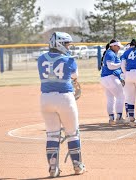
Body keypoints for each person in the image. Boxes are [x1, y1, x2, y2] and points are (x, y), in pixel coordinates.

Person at [37, 32, 85, 177]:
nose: (68, 47)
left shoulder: (40, 59)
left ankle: (53, 169)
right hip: (64, 98)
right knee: (72, 133)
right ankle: (77, 166)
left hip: (45, 99)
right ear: (58, 44)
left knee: (52, 135)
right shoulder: (69, 59)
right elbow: (75, 76)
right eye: (66, 44)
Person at [100, 39, 128, 125]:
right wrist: (122, 64)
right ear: (113, 46)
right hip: (111, 77)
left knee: (110, 98)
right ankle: (119, 117)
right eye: (118, 46)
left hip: (105, 78)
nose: (119, 48)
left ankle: (111, 118)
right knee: (121, 96)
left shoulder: (109, 53)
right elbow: (110, 66)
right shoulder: (110, 53)